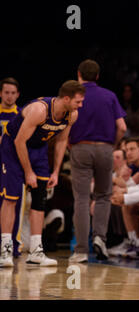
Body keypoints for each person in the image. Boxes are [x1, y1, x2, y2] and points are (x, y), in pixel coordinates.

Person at [0, 80, 85, 267]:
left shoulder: (72, 115)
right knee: (11, 198)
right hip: (13, 148)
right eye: (78, 101)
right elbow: (19, 142)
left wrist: (56, 171)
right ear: (66, 98)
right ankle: (5, 249)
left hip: (38, 149)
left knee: (40, 199)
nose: (81, 105)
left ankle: (36, 251)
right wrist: (28, 171)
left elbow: (62, 141)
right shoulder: (40, 110)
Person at [68, 59, 127, 263]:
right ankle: (100, 239)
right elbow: (122, 127)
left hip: (80, 147)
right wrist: (112, 145)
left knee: (82, 199)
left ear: (79, 74)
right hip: (104, 148)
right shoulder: (109, 96)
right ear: (98, 76)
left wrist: (69, 144)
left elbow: (65, 124)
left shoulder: (74, 95)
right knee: (103, 196)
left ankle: (82, 250)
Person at [0, 77, 24, 258]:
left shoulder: (22, 115)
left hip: (14, 165)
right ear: (1, 93)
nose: (9, 96)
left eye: (13, 93)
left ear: (18, 95)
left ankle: (13, 245)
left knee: (13, 204)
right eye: (6, 92)